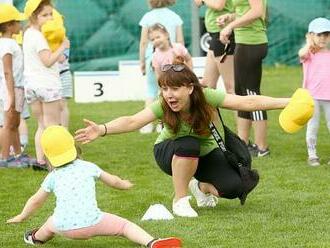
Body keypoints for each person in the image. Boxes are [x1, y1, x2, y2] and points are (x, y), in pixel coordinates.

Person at [75, 58, 290, 218]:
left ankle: (198, 186)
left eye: (175, 88)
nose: (169, 94)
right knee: (189, 143)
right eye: (165, 88)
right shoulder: (162, 104)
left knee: (234, 187)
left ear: (189, 88)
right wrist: (102, 129)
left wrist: (287, 102)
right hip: (168, 152)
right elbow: (133, 121)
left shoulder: (206, 97)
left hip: (204, 153)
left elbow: (247, 103)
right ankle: (180, 200)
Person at [7, 125, 182, 248]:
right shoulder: (88, 167)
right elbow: (113, 181)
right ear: (73, 146)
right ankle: (152, 242)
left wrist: (22, 216)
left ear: (48, 155)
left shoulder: (52, 176)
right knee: (125, 227)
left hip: (62, 226)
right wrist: (124, 184)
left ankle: (35, 238)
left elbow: (36, 201)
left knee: (49, 224)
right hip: (93, 222)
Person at [218, 0, 269, 157]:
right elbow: (245, 11)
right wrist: (230, 17)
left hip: (252, 43)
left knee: (252, 93)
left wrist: (230, 26)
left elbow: (257, 11)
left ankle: (262, 148)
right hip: (244, 42)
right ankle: (243, 144)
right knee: (241, 93)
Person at [23, 0, 70, 170]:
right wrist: (63, 46)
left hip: (32, 86)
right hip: (47, 85)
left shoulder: (28, 33)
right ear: (34, 16)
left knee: (42, 125)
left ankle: (41, 161)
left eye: (51, 14)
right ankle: (53, 164)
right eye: (45, 15)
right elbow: (48, 61)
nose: (50, 18)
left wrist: (58, 50)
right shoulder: (39, 37)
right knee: (52, 126)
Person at [139, 0, 184, 133]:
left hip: (152, 60)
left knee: (151, 91)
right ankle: (163, 124)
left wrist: (142, 61)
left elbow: (143, 42)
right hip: (172, 60)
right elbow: (180, 41)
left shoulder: (147, 17)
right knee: (169, 93)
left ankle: (147, 125)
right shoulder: (175, 17)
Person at [298, 17, 330, 166]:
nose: (323, 38)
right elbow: (301, 53)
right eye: (319, 34)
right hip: (313, 97)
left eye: (326, 34)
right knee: (313, 126)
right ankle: (312, 155)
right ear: (311, 35)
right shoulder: (308, 53)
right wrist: (309, 42)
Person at [0, 3, 29, 168]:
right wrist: (11, 95)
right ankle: (4, 158)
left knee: (15, 123)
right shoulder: (7, 45)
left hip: (17, 87)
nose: (20, 24)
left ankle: (18, 154)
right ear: (10, 25)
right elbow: (7, 72)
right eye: (18, 22)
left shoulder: (9, 42)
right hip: (11, 88)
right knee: (8, 123)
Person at [193, 0, 235, 92]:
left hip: (223, 34)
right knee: (207, 85)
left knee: (231, 87)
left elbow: (218, 5)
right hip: (216, 35)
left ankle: (249, 104)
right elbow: (198, 3)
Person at [42, 8, 73, 129]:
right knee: (51, 106)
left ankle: (64, 130)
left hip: (63, 75)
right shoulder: (41, 40)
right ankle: (52, 130)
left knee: (62, 104)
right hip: (48, 76)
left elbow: (61, 59)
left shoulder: (64, 40)